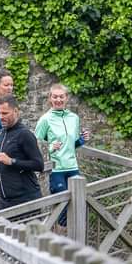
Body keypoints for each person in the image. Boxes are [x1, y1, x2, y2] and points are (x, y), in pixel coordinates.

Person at [33, 83, 90, 229]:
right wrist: (51, 148)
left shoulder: (74, 118)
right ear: (50, 99)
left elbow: (73, 144)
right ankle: (60, 244)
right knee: (62, 208)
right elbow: (35, 144)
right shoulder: (45, 119)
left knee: (78, 204)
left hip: (73, 168)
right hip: (56, 169)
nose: (58, 99)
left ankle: (76, 241)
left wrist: (82, 139)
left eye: (61, 96)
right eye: (55, 97)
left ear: (66, 98)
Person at [0, 95, 44, 211]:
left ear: (15, 111)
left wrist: (11, 161)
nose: (1, 117)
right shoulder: (3, 133)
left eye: (5, 113)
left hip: (25, 201)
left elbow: (39, 165)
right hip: (5, 201)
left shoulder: (25, 134)